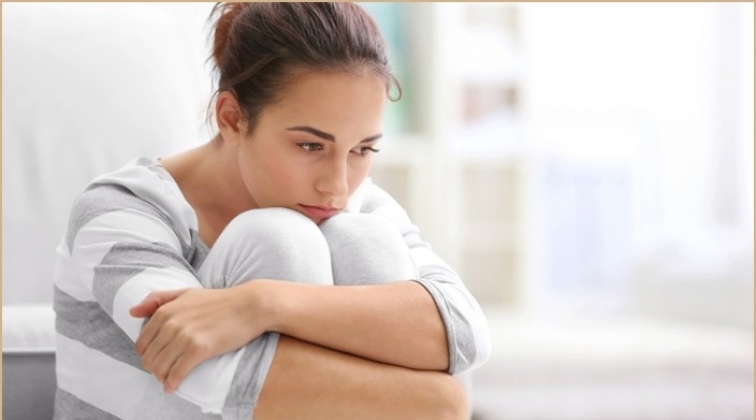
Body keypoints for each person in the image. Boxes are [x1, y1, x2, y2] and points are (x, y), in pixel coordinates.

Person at [53, 3, 491, 419]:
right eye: (310, 145)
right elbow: (208, 372)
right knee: (279, 238)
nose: (338, 185)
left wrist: (262, 303)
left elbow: (464, 331)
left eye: (362, 149)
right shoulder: (121, 211)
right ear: (231, 118)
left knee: (364, 239)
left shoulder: (358, 202)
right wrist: (436, 400)